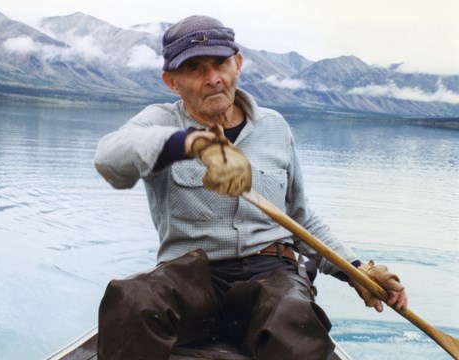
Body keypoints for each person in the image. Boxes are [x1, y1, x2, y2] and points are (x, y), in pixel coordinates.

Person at [93, 15, 408, 359]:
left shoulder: (274, 126)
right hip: (191, 279)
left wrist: (355, 269)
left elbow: (299, 216)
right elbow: (109, 158)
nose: (213, 79)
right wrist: (191, 144)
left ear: (238, 64)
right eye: (195, 68)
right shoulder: (160, 121)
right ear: (172, 81)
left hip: (271, 275)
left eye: (220, 64)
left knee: (291, 317)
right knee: (132, 301)